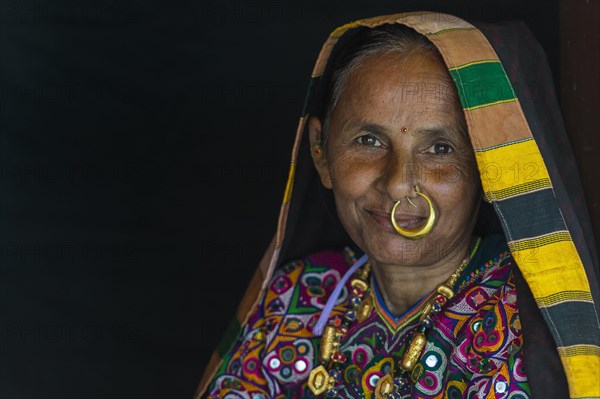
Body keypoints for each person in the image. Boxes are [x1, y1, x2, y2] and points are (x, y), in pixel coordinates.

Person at [196, 12, 600, 399]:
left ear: (489, 167)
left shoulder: (524, 327)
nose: (397, 183)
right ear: (321, 152)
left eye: (440, 149)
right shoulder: (300, 296)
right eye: (368, 140)